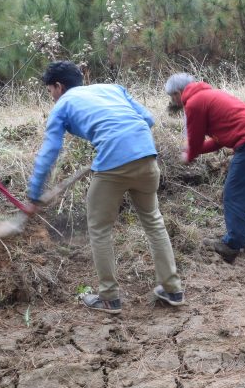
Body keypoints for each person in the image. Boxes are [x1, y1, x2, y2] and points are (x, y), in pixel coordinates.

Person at [28, 61, 185, 314]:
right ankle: (173, 289)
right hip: (147, 157)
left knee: (100, 228)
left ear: (58, 86)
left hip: (113, 166)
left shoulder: (63, 105)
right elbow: (148, 119)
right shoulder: (113, 89)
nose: (52, 96)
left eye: (50, 91)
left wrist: (34, 194)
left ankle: (109, 297)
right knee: (154, 221)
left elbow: (50, 151)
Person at [165, 73, 245, 265]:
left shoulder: (194, 103)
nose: (173, 101)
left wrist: (188, 156)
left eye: (172, 96)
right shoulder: (208, 95)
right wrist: (194, 151)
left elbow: (195, 140)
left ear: (179, 92)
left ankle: (233, 244)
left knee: (233, 193)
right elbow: (218, 140)